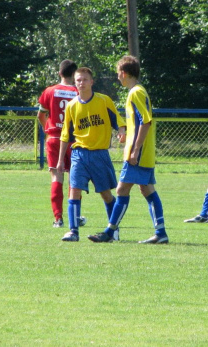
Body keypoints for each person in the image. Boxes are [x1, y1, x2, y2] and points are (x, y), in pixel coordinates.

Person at [88, 55, 169, 244]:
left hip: (138, 153)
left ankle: (110, 231)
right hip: (142, 152)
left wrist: (135, 150)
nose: (117, 77)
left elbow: (146, 122)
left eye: (118, 74)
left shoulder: (136, 93)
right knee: (147, 190)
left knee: (122, 189)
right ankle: (161, 232)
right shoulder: (139, 91)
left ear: (124, 73)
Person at [56, 67, 126, 242]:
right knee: (74, 190)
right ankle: (73, 231)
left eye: (85, 79)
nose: (81, 83)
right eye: (78, 80)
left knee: (105, 194)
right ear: (75, 82)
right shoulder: (72, 106)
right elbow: (65, 135)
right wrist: (59, 161)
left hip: (99, 154)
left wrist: (122, 131)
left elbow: (118, 120)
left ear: (92, 82)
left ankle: (113, 230)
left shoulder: (103, 101)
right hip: (78, 153)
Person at [36, 59, 87, 228]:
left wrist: (47, 129)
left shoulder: (50, 91)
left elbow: (41, 116)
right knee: (75, 179)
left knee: (56, 178)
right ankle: (76, 216)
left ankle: (58, 218)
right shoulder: (78, 92)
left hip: (54, 139)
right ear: (74, 75)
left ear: (59, 73)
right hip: (74, 141)